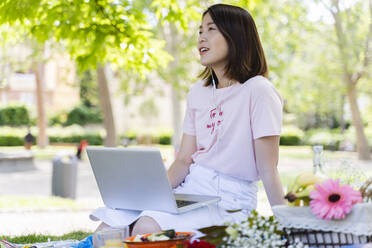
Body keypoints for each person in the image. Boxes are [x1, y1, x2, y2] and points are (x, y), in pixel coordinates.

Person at [90, 3, 285, 236]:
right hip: (191, 190)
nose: (202, 37)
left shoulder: (259, 91)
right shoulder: (198, 91)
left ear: (236, 36)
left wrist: (287, 223)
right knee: (109, 226)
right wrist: (152, 196)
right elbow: (183, 160)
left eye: (211, 29)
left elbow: (268, 168)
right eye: (200, 30)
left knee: (147, 228)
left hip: (231, 202)